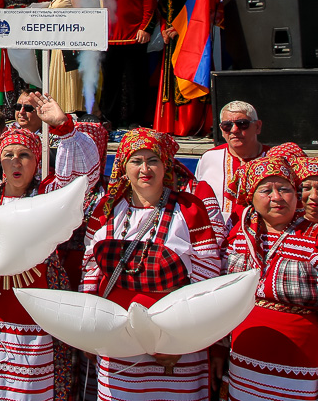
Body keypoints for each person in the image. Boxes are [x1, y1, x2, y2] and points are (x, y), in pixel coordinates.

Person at [218, 155, 318, 401]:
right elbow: (218, 296)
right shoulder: (238, 234)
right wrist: (218, 347)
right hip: (242, 360)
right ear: (250, 195)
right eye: (266, 190)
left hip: (297, 362)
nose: (277, 197)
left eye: (285, 189)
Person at [81, 128, 221, 401]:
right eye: (136, 161)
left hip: (176, 340)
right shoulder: (107, 210)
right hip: (117, 338)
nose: (145, 168)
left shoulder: (190, 209)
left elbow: (207, 272)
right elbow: (90, 269)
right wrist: (89, 328)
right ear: (124, 166)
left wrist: (179, 339)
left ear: (165, 164)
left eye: (152, 160)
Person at [0, 126, 70, 401]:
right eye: (9, 155)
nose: (16, 161)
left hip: (34, 308)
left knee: (31, 388)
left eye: (24, 155)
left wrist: (64, 128)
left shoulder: (48, 200)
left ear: (37, 161)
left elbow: (78, 177)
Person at [153, 0, 220, 138]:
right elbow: (164, 11)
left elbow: (199, 12)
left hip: (189, 40)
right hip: (172, 40)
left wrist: (179, 29)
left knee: (188, 75)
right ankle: (171, 124)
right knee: (171, 81)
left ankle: (190, 123)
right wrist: (165, 29)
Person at [95, 0, 156, 129]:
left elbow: (150, 0)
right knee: (110, 81)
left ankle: (136, 120)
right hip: (109, 35)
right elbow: (96, 5)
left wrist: (146, 28)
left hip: (134, 34)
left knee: (135, 81)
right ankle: (109, 117)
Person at [194, 101, 266, 219]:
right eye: (227, 125)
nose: (234, 130)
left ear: (257, 126)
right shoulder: (209, 158)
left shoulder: (273, 158)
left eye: (242, 124)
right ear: (221, 130)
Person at [46, 0, 85, 115]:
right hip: (57, 42)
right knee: (57, 79)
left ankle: (73, 111)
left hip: (69, 42)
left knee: (69, 79)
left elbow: (80, 14)